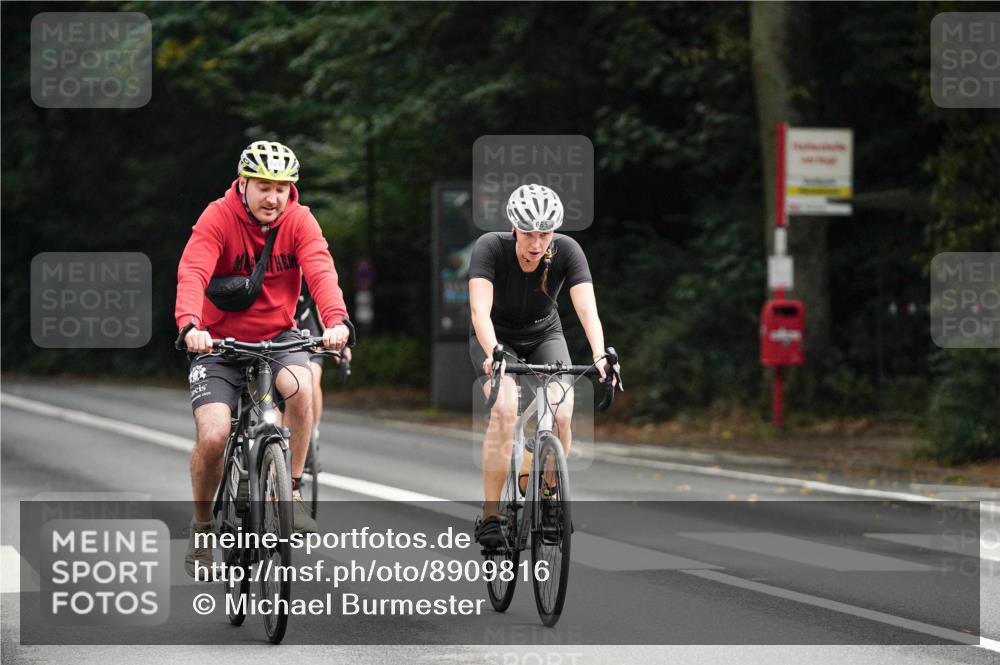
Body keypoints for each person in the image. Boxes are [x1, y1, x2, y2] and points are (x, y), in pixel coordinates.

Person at [175, 140, 351, 578]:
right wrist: (190, 325)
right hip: (217, 345)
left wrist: (337, 322)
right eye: (264, 187)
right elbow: (193, 270)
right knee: (214, 436)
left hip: (278, 337)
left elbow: (321, 272)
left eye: (282, 187)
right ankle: (201, 529)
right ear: (244, 183)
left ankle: (287, 491)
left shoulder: (299, 220)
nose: (273, 197)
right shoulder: (217, 217)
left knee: (303, 387)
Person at [468, 184, 611, 547]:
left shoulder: (567, 251)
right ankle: (489, 515)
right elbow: (479, 311)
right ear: (513, 227)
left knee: (561, 412)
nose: (536, 242)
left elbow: (586, 309)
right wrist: (494, 351)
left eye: (544, 233)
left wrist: (599, 353)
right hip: (495, 338)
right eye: (529, 233)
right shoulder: (490, 248)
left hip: (544, 334)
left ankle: (548, 498)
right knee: (503, 411)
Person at [292, 276, 352, 446]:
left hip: (305, 324)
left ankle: (314, 431)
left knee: (313, 378)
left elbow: (322, 304)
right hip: (279, 326)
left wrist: (338, 341)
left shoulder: (309, 268)